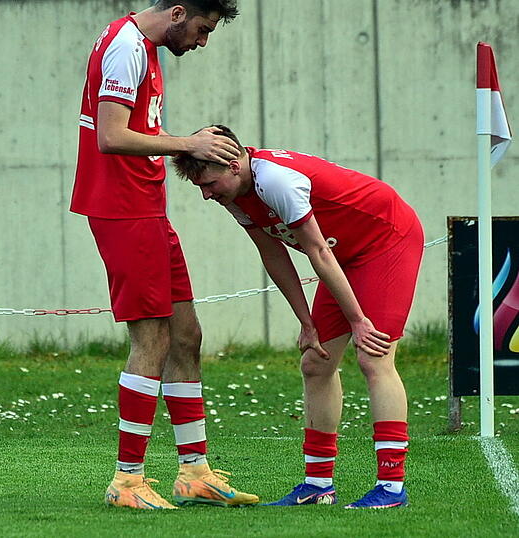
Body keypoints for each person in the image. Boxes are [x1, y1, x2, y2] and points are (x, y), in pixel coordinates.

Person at [70, 0, 259, 510]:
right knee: (150, 337)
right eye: (202, 29)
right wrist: (187, 144)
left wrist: (182, 146)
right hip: (122, 210)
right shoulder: (126, 46)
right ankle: (127, 478)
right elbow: (110, 137)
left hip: (146, 206)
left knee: (186, 334)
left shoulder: (144, 45)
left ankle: (193, 472)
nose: (202, 41)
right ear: (177, 12)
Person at [173, 125, 422, 509]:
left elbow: (318, 252)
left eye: (209, 183)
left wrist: (358, 321)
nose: (207, 194)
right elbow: (273, 255)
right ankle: (318, 485)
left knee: (373, 355)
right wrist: (307, 324)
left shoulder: (276, 181)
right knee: (315, 363)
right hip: (345, 256)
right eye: (200, 188)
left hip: (386, 239)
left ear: (235, 165)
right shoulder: (234, 196)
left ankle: (391, 488)